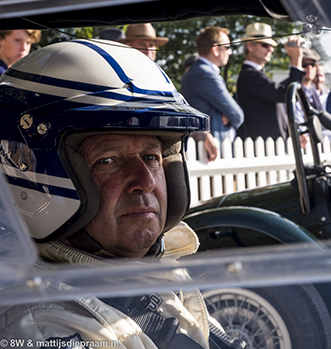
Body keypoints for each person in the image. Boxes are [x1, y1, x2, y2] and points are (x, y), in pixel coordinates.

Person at [0, 40, 242, 349]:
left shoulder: (151, 274)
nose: (146, 181)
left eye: (153, 158)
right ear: (37, 176)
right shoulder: (42, 325)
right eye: (109, 160)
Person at [236, 22, 304, 141]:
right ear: (250, 46)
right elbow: (285, 94)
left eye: (271, 45)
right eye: (265, 45)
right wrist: (296, 60)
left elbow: (282, 91)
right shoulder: (250, 76)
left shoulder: (254, 74)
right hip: (263, 145)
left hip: (270, 144)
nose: (271, 49)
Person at [181, 27, 244, 144]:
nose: (230, 52)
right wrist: (227, 115)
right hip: (211, 149)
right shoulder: (206, 74)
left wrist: (225, 114)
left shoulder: (196, 70)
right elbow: (237, 115)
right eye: (227, 47)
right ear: (215, 49)